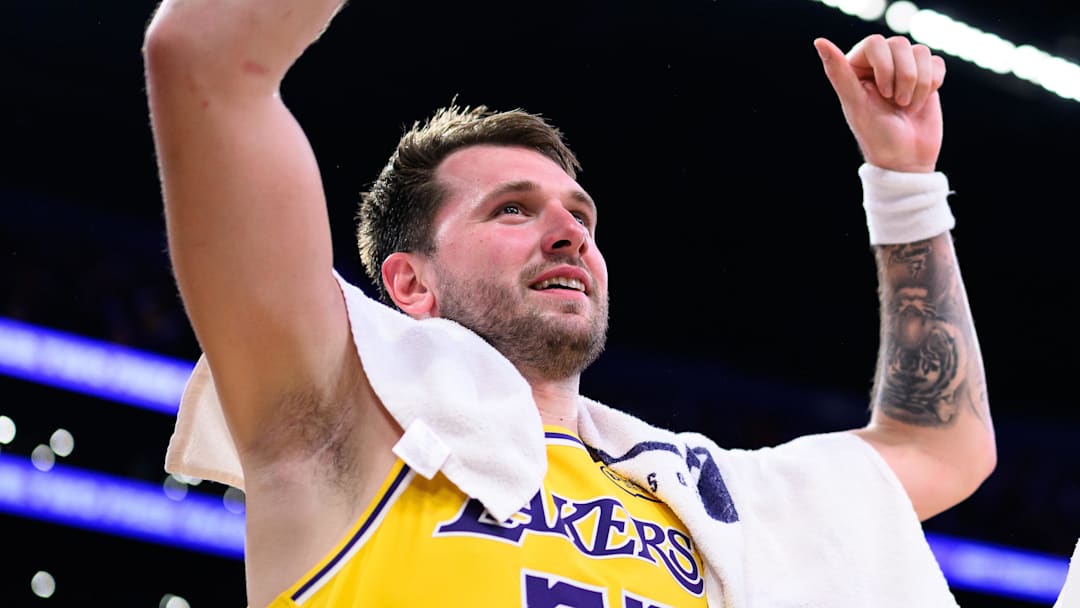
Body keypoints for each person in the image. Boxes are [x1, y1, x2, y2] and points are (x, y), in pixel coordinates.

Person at [142, 1, 997, 607]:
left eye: (580, 215)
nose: (569, 233)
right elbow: (205, 59)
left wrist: (905, 183)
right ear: (408, 283)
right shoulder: (338, 426)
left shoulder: (706, 493)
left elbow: (942, 448)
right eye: (512, 209)